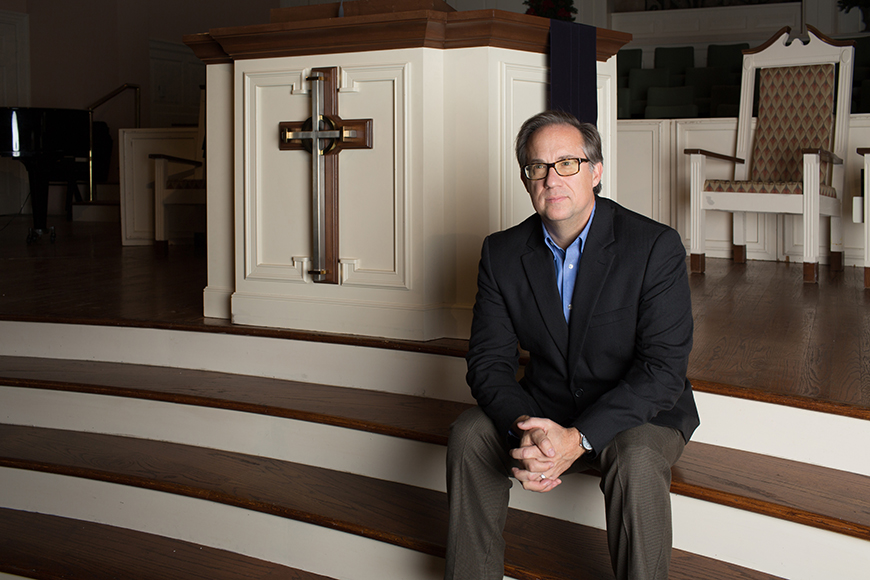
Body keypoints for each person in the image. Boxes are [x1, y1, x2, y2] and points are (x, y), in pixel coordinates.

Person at [445, 110, 700, 580]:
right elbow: (488, 363)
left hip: (638, 411)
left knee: (637, 460)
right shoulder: (502, 252)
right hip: (548, 404)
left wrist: (578, 438)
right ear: (526, 179)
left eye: (567, 163)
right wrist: (530, 431)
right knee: (469, 434)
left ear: (596, 171)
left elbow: (662, 372)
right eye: (537, 167)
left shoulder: (654, 247)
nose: (551, 179)